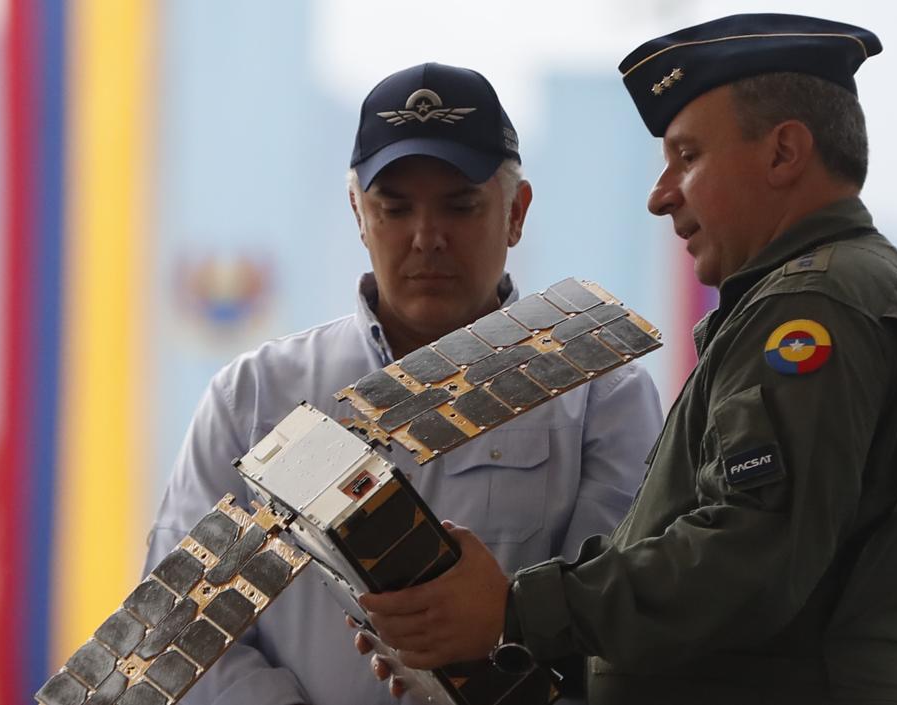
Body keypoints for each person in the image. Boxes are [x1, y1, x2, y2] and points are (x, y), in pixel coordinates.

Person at [358, 15, 897, 705]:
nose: (660, 194)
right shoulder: (810, 294)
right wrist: (491, 652)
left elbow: (748, 559)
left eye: (686, 156)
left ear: (783, 153)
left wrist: (513, 611)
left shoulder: (812, 307)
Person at [142, 62, 663, 705]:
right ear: (357, 213)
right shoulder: (252, 395)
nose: (426, 238)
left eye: (460, 205)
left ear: (516, 213)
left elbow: (617, 624)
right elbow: (178, 638)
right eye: (394, 207)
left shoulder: (599, 393)